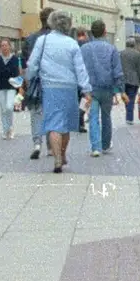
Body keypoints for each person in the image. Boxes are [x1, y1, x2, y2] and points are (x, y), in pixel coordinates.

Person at [26, 10, 93, 173]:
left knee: (53, 124)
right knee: (66, 125)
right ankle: (62, 155)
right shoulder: (72, 43)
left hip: (49, 88)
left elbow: (32, 64)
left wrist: (28, 79)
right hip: (69, 88)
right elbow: (80, 68)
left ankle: (56, 158)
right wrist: (86, 89)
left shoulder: (43, 40)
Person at [80, 20, 124, 157]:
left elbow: (80, 69)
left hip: (90, 89)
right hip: (107, 88)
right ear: (105, 32)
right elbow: (117, 71)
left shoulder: (84, 49)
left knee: (93, 117)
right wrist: (120, 90)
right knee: (106, 116)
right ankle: (105, 144)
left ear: (91, 32)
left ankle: (96, 147)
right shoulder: (111, 49)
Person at [22, 7, 55, 160]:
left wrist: (26, 82)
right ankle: (50, 145)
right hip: (52, 81)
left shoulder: (30, 39)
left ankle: (37, 143)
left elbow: (25, 64)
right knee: (50, 113)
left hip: (34, 81)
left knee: (36, 112)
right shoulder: (56, 39)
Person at [0, 39, 23, 139]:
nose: (4, 47)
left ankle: (10, 128)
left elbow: (15, 73)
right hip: (0, 86)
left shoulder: (14, 58)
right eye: (2, 45)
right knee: (3, 109)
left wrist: (4, 72)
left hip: (11, 87)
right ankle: (5, 131)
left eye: (6, 45)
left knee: (9, 107)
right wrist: (6, 72)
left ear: (10, 46)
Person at [120, 41, 140, 123]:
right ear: (134, 45)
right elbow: (139, 68)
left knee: (125, 97)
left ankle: (128, 114)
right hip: (134, 79)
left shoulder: (121, 53)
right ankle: (129, 117)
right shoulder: (138, 54)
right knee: (132, 98)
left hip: (123, 79)